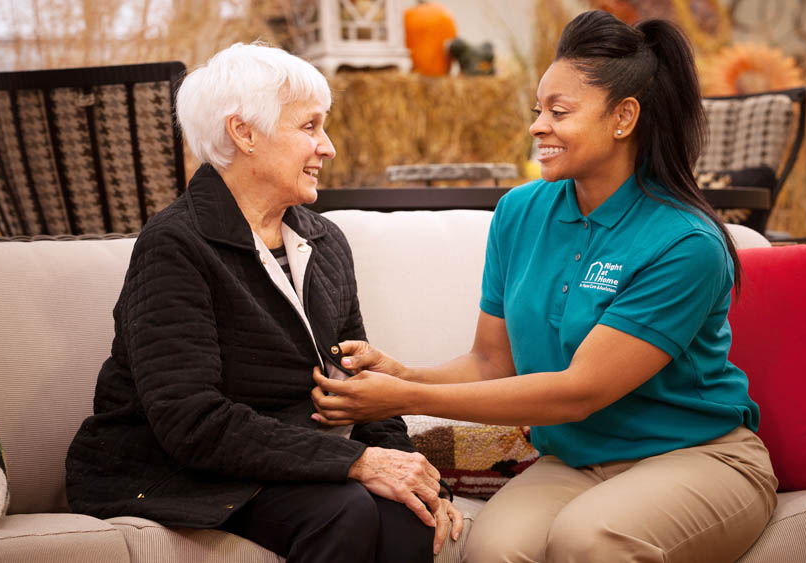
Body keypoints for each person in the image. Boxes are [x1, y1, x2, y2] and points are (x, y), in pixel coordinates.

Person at [311, 10, 778, 563]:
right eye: (538, 111)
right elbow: (491, 363)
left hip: (698, 458)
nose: (537, 127)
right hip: (575, 462)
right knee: (491, 549)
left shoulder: (685, 244)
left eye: (559, 112)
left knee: (590, 540)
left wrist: (405, 398)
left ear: (623, 117)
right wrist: (402, 372)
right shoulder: (519, 212)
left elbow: (580, 391)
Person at [65, 42, 462, 563]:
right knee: (345, 511)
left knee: (408, 518)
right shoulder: (175, 244)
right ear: (243, 133)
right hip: (174, 471)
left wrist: (415, 474)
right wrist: (356, 463)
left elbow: (360, 390)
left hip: (289, 463)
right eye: (309, 127)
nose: (328, 147)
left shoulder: (325, 242)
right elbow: (191, 423)